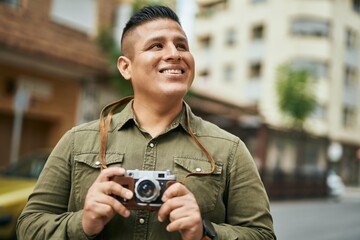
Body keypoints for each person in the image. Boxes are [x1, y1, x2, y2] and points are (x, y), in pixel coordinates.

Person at [17, 5, 276, 240]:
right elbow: (29, 226)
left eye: (182, 45)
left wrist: (206, 232)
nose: (174, 54)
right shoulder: (76, 141)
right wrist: (83, 222)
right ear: (125, 67)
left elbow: (262, 235)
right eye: (156, 46)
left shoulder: (230, 150)